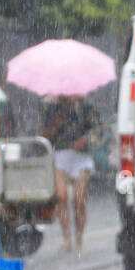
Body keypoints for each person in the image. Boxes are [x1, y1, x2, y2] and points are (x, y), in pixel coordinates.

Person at [42, 95, 102, 253]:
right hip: (60, 155)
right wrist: (55, 126)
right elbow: (42, 134)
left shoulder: (85, 105)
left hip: (81, 157)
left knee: (79, 200)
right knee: (61, 197)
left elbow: (98, 128)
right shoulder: (51, 107)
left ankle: (79, 239)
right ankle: (67, 239)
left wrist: (85, 139)